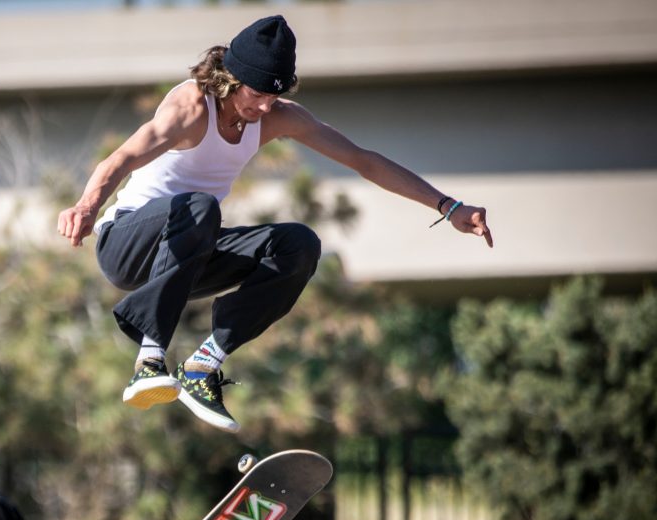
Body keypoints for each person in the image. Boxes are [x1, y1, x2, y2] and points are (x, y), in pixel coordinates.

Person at [56, 15, 492, 434]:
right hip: (127, 243)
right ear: (231, 78)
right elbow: (125, 157)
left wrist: (448, 206)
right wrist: (87, 206)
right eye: (257, 94)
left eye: (274, 97)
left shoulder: (278, 115)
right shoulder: (190, 107)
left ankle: (203, 365)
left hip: (187, 254)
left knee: (298, 245)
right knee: (202, 207)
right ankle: (148, 360)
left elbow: (363, 160)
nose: (264, 107)